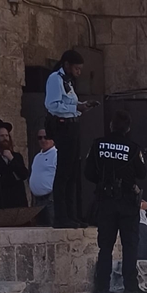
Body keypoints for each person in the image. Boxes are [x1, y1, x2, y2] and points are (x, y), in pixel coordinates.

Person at [84, 110, 147, 293]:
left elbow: (88, 173)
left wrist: (104, 181)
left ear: (111, 126)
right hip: (127, 202)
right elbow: (142, 173)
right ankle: (131, 288)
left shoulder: (98, 145)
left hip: (106, 201)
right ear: (128, 128)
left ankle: (102, 288)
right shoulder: (133, 148)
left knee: (105, 246)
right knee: (130, 246)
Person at [45, 49, 97, 229]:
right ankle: (61, 216)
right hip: (63, 127)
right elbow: (52, 105)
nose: (79, 72)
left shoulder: (68, 81)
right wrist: (75, 108)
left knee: (74, 172)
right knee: (64, 172)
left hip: (73, 125)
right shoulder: (55, 79)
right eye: (76, 68)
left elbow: (70, 103)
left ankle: (72, 214)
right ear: (66, 65)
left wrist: (83, 106)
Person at [0, 119, 29, 209]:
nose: (5, 138)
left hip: (20, 203)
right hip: (3, 203)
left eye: (6, 135)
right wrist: (14, 177)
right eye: (1, 136)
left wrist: (11, 159)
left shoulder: (16, 157)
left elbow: (24, 175)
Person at [29, 129, 57, 225]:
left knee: (51, 225)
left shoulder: (56, 154)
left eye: (46, 137)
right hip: (37, 201)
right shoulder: (37, 156)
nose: (43, 140)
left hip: (50, 199)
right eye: (40, 138)